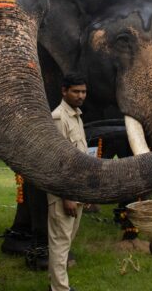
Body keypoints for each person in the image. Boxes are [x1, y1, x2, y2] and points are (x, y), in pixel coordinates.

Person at [47, 73, 88, 291]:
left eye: (83, 91)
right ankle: (60, 289)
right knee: (60, 244)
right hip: (64, 193)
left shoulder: (77, 116)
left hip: (78, 191)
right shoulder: (58, 118)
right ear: (64, 91)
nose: (81, 96)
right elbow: (58, 162)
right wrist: (67, 196)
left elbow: (80, 158)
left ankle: (56, 284)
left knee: (67, 241)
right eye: (76, 91)